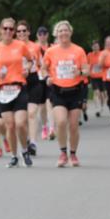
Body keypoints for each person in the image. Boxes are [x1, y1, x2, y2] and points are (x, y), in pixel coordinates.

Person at [0, 18, 36, 168]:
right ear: (0, 30)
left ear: (14, 31)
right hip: (2, 90)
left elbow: (30, 60)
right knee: (9, 125)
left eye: (11, 29)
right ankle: (14, 156)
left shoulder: (20, 46)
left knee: (21, 123)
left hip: (19, 87)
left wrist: (27, 68)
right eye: (5, 28)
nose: (8, 31)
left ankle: (24, 151)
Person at [41, 21, 89, 167]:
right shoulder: (51, 51)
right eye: (60, 31)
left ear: (70, 32)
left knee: (74, 125)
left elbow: (87, 70)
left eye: (65, 30)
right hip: (58, 91)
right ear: (56, 34)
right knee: (61, 122)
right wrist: (47, 78)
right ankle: (63, 153)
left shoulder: (79, 51)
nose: (63, 33)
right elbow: (43, 69)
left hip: (75, 91)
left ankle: (73, 154)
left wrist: (80, 72)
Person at [15, 21, 43, 157]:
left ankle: (33, 143)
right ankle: (25, 140)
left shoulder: (36, 47)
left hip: (33, 80)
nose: (21, 33)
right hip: (17, 82)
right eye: (19, 31)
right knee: (22, 117)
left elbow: (40, 64)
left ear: (29, 32)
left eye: (24, 31)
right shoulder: (13, 47)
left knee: (32, 113)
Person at [36, 26, 55, 141]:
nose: (42, 35)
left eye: (44, 33)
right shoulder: (34, 48)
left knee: (50, 103)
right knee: (42, 106)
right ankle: (44, 127)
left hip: (49, 78)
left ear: (47, 35)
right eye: (40, 34)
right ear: (37, 35)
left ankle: (52, 128)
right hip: (38, 78)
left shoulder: (52, 48)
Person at [87, 40, 106, 117]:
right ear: (92, 47)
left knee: (102, 94)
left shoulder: (103, 54)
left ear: (99, 47)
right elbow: (87, 65)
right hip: (94, 77)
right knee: (96, 92)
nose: (95, 47)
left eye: (97, 46)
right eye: (94, 46)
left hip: (102, 77)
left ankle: (101, 107)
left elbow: (107, 64)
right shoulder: (89, 55)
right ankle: (97, 108)